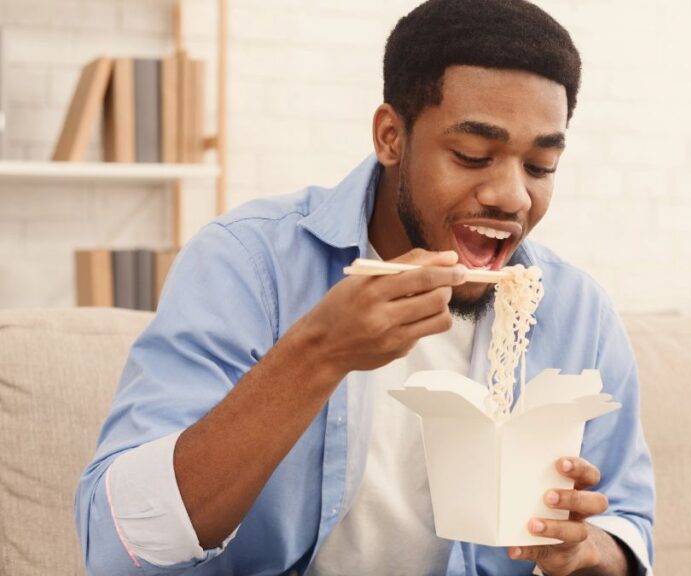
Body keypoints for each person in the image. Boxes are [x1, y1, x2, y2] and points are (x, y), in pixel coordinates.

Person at [74, 1, 654, 574]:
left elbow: (625, 522)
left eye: (540, 166)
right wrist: (317, 353)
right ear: (390, 137)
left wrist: (588, 550)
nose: (512, 196)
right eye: (473, 154)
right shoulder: (249, 264)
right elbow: (119, 539)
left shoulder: (578, 312)